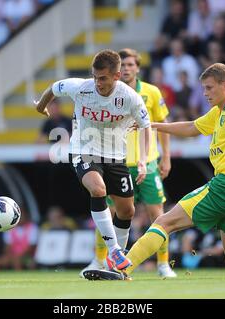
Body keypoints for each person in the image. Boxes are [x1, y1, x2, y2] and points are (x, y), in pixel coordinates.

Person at [83, 63, 225, 280]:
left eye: (209, 88)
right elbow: (192, 127)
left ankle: (122, 269)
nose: (205, 93)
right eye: (203, 89)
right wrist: (151, 125)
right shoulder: (220, 111)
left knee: (164, 222)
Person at [35, 49, 151, 271]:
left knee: (127, 210)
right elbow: (53, 88)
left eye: (103, 78)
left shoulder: (129, 98)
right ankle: (115, 251)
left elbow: (146, 127)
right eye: (95, 77)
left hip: (116, 156)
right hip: (83, 150)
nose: (98, 82)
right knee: (98, 189)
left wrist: (143, 160)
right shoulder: (81, 88)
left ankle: (116, 265)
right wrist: (41, 106)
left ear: (117, 76)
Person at [80, 48, 176, 278]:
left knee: (158, 214)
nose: (128, 69)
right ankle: (100, 259)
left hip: (148, 162)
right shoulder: (106, 93)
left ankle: (163, 264)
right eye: (125, 65)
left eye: (132, 65)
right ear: (117, 71)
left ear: (138, 68)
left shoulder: (151, 93)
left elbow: (162, 125)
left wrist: (166, 157)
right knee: (107, 210)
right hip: (116, 161)